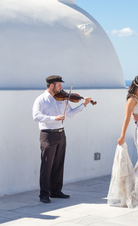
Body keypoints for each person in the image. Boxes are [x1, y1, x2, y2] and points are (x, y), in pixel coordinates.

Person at [32, 75, 93, 203]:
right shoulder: (41, 99)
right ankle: (44, 194)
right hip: (47, 135)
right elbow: (36, 116)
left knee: (58, 164)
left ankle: (56, 191)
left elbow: (69, 114)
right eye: (59, 85)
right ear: (52, 85)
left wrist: (84, 105)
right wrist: (54, 118)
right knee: (47, 165)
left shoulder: (62, 98)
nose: (62, 88)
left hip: (61, 134)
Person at [106, 75, 138, 208]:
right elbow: (126, 119)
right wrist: (122, 136)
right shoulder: (131, 99)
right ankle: (134, 195)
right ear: (134, 87)